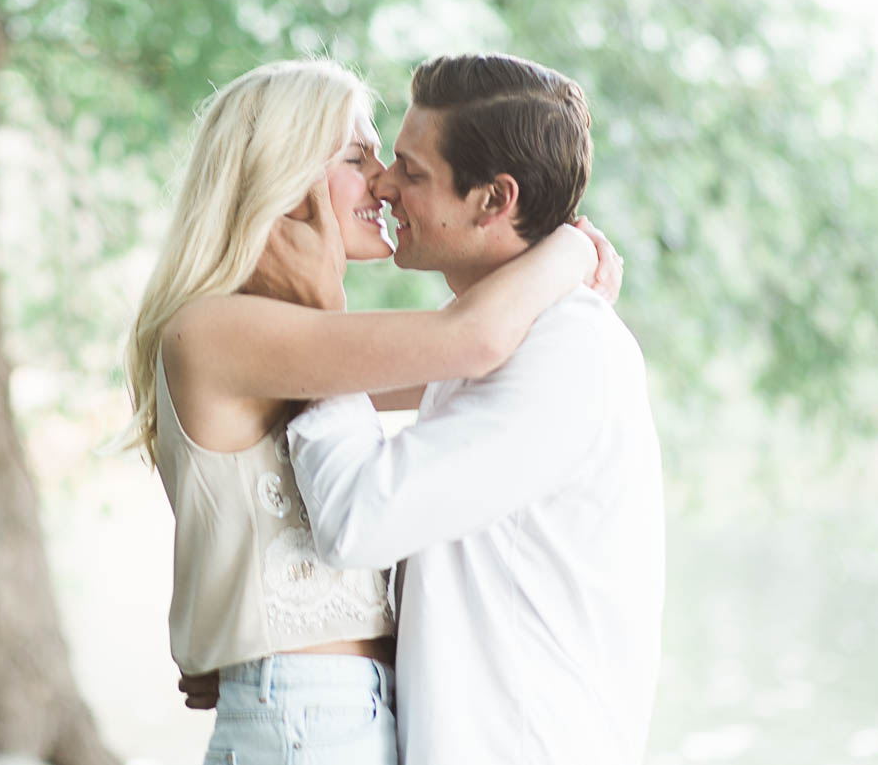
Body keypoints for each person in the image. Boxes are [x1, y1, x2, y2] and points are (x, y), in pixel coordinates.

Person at [101, 59, 619, 765]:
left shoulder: (284, 338)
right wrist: (569, 251)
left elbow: (475, 366)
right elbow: (469, 342)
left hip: (333, 706)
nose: (380, 179)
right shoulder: (223, 329)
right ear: (282, 182)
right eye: (357, 156)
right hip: (306, 710)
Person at [259, 53, 665, 765]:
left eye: (411, 171)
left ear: (492, 200)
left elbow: (360, 516)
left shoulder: (567, 349)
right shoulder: (497, 337)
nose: (384, 183)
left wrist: (317, 308)